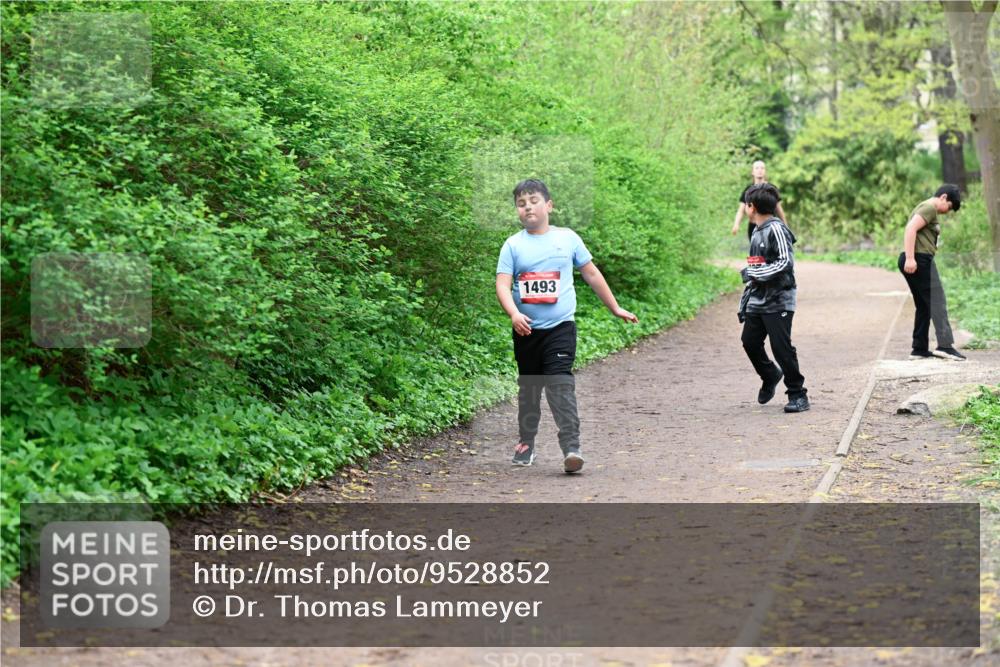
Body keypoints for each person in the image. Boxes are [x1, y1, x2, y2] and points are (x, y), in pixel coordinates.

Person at [496, 179, 638, 473]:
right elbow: (502, 285)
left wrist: (614, 307)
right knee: (530, 388)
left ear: (549, 205)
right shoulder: (513, 245)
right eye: (521, 204)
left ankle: (571, 447)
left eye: (533, 201)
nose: (528, 208)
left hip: (561, 328)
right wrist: (513, 313)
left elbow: (591, 273)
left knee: (559, 382)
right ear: (517, 211)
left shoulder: (568, 238)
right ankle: (526, 442)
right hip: (527, 331)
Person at [737, 183, 809, 413]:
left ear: (752, 207)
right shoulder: (757, 231)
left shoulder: (776, 229)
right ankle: (770, 374)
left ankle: (798, 394)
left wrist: (753, 273)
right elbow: (757, 265)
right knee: (749, 342)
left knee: (781, 347)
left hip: (779, 300)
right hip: (758, 300)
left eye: (746, 204)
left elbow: (784, 262)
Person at [898, 185, 966, 361]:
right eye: (949, 207)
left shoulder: (927, 208)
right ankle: (945, 346)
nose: (948, 211)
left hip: (919, 259)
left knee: (924, 304)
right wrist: (911, 258)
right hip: (919, 260)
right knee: (937, 301)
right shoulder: (929, 208)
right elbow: (910, 229)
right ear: (943, 197)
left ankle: (919, 348)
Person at [731, 160, 788, 240]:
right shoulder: (748, 190)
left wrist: (785, 225)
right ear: (752, 172)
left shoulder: (771, 189)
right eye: (757, 168)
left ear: (765, 171)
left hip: (770, 226)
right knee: (756, 251)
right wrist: (736, 224)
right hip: (754, 226)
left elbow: (779, 209)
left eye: (762, 168)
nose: (760, 170)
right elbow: (741, 210)